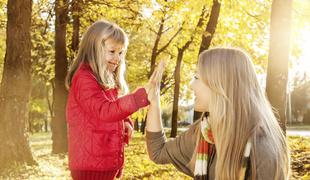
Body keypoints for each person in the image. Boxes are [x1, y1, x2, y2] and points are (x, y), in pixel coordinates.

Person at [146, 48, 290, 180]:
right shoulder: (205, 132)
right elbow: (158, 151)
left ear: (220, 85)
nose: (191, 85)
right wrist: (154, 100)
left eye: (197, 78)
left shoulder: (262, 150)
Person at [65, 20, 150, 180]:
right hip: (89, 168)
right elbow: (104, 110)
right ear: (93, 49)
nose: (117, 58)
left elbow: (114, 107)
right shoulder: (84, 79)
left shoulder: (105, 79)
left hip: (104, 164)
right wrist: (138, 99)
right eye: (112, 51)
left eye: (121, 53)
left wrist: (126, 121)